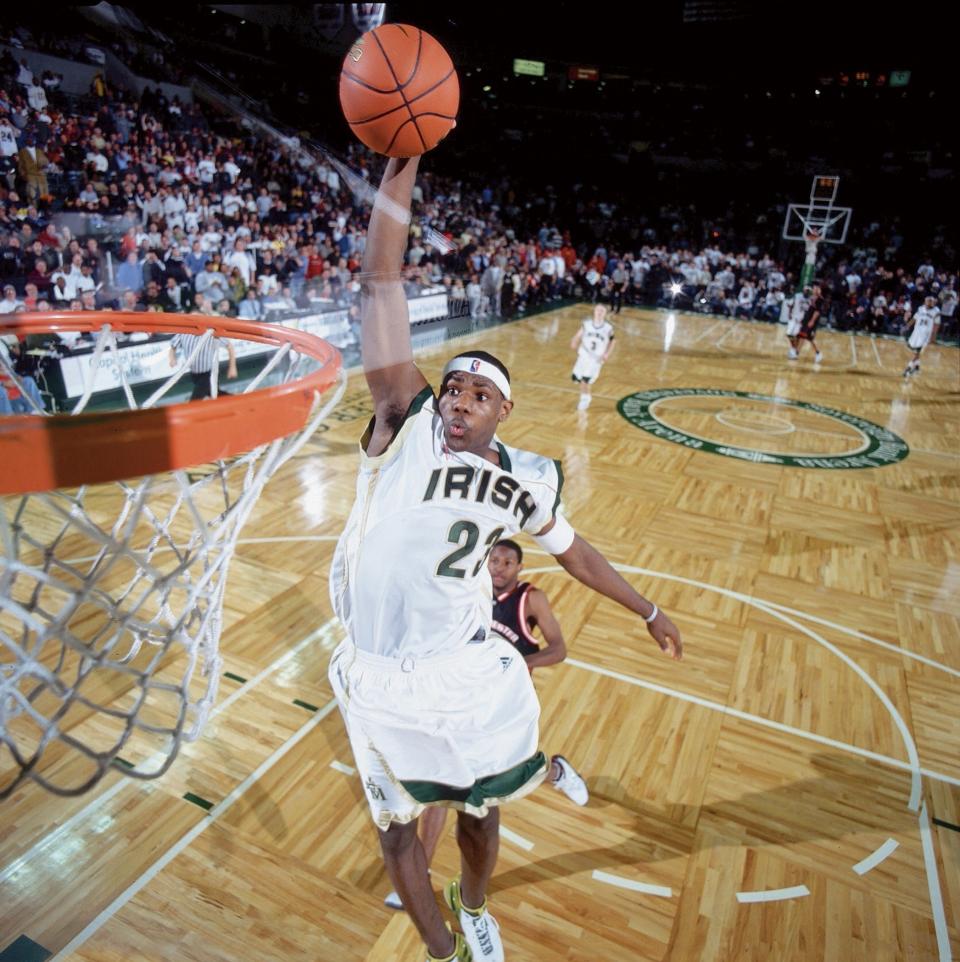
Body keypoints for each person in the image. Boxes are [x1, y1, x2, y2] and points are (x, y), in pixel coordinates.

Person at [328, 155, 682, 962]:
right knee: (395, 838)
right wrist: (402, 158)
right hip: (377, 672)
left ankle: (474, 903)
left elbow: (579, 554)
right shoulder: (403, 421)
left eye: (477, 395)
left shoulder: (524, 482)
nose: (457, 400)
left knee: (481, 818)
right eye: (452, 387)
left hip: (459, 664)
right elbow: (380, 282)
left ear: (503, 413)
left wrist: (649, 609)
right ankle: (442, 950)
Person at [383, 537, 589, 912]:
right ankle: (420, 873)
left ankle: (556, 772)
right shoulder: (470, 589)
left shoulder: (532, 599)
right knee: (443, 784)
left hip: (502, 707)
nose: (499, 567)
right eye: (494, 560)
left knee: (506, 779)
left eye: (507, 562)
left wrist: (530, 662)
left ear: (519, 568)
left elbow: (559, 648)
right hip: (460, 700)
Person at [168, 327, 238, 399]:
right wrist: (172, 358)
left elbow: (229, 346)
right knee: (214, 393)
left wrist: (232, 367)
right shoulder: (184, 333)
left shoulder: (211, 334)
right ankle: (236, 400)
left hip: (208, 374)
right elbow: (173, 346)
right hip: (194, 374)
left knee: (195, 400)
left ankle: (237, 400)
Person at [570, 302, 616, 410]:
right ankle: (585, 396)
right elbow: (578, 335)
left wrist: (607, 354)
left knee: (585, 380)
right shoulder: (587, 324)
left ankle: (585, 399)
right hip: (583, 355)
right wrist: (574, 341)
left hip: (596, 359)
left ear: (605, 314)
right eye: (597, 310)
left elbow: (613, 342)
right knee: (576, 378)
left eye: (602, 311)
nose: (599, 313)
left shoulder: (608, 328)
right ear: (594, 312)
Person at [902, 294, 940, 379]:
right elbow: (914, 319)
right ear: (925, 302)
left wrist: (933, 337)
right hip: (916, 333)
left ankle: (908, 369)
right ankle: (917, 367)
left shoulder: (936, 311)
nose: (930, 303)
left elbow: (936, 325)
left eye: (932, 301)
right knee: (914, 351)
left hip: (925, 336)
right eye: (929, 301)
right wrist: (907, 326)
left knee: (917, 353)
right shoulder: (920, 308)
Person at [795, 282, 824, 364]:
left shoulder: (820, 299)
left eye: (815, 288)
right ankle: (796, 352)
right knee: (801, 336)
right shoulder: (812, 297)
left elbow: (817, 312)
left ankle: (818, 353)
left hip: (811, 321)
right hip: (806, 319)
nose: (813, 289)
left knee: (809, 338)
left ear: (818, 290)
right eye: (813, 288)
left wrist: (812, 321)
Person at [783, 285, 809, 359]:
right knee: (789, 334)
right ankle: (793, 349)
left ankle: (793, 352)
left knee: (796, 336)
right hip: (793, 318)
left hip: (801, 320)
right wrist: (789, 313)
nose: (806, 291)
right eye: (805, 290)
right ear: (803, 290)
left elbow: (808, 312)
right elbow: (791, 305)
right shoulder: (797, 296)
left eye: (808, 290)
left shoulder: (810, 300)